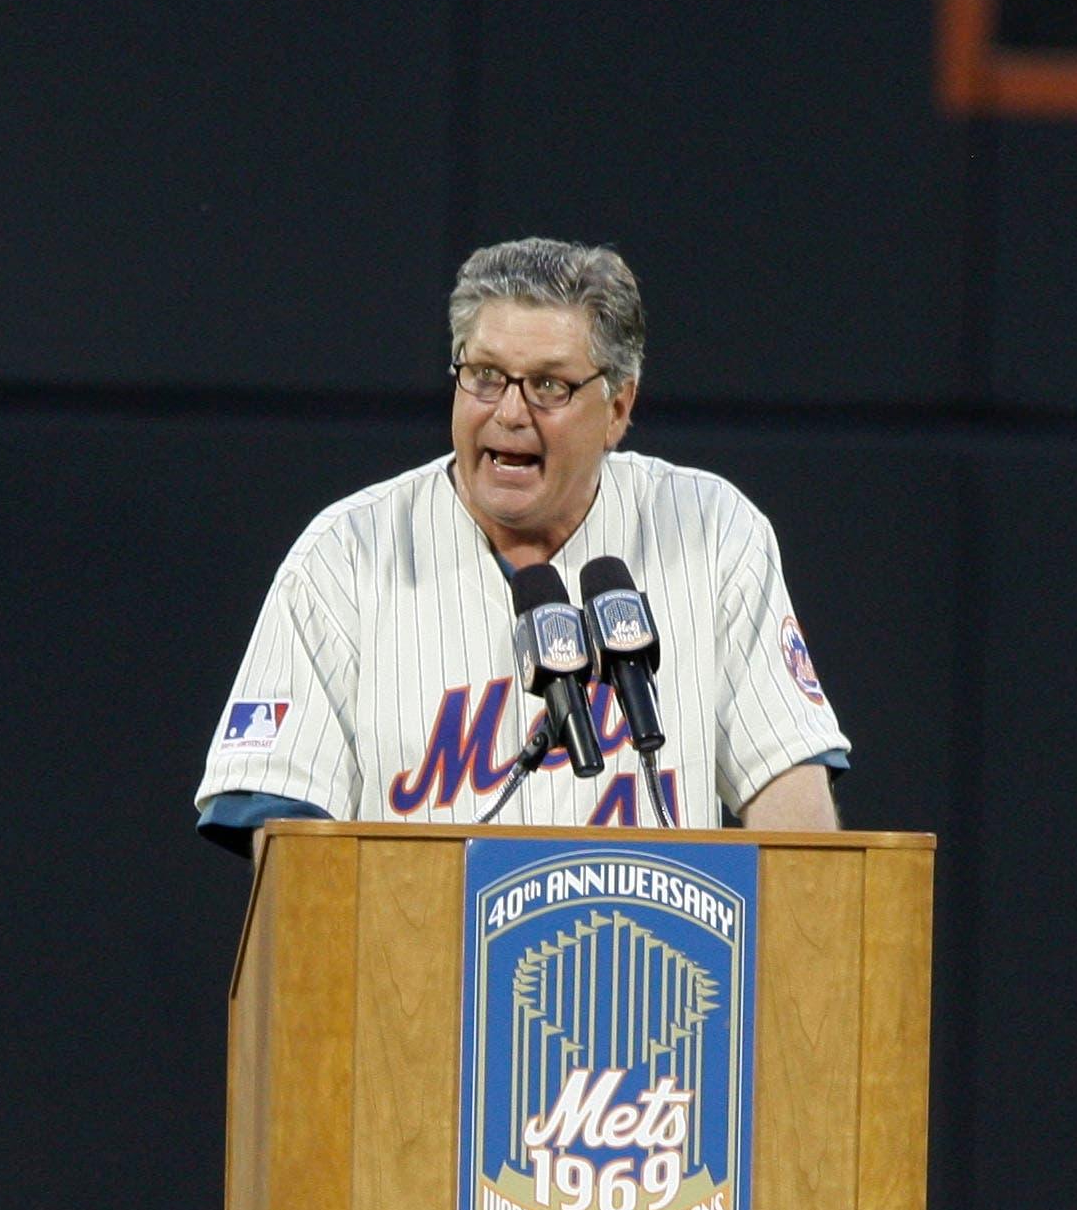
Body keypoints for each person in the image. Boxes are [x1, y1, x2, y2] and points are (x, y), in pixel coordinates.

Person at [194, 239, 848, 850]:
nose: (509, 412)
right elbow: (286, 833)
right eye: (484, 375)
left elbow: (792, 800)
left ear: (618, 407)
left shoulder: (710, 532)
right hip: (419, 970)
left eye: (548, 386)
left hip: (657, 964)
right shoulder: (346, 556)